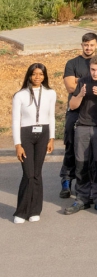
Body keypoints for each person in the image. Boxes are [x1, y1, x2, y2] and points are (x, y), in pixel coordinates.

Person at [65, 54, 97, 216]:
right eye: (92, 70)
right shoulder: (83, 81)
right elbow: (72, 106)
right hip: (82, 126)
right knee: (81, 163)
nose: (95, 73)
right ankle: (82, 198)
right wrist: (80, 94)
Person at [12, 64, 57, 223]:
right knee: (28, 173)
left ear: (44, 76)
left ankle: (35, 210)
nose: (37, 77)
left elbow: (51, 116)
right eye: (34, 74)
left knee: (37, 173)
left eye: (41, 74)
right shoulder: (20, 95)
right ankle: (21, 211)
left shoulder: (50, 93)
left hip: (43, 134)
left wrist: (52, 137)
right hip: (26, 135)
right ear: (29, 76)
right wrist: (18, 144)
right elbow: (16, 120)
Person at [60, 32, 97, 199]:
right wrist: (85, 81)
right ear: (82, 45)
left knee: (92, 150)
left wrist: (79, 80)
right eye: (86, 44)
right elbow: (70, 88)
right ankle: (66, 179)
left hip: (95, 112)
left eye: (91, 45)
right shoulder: (72, 63)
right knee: (70, 144)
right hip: (75, 110)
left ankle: (89, 183)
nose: (88, 48)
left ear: (96, 45)